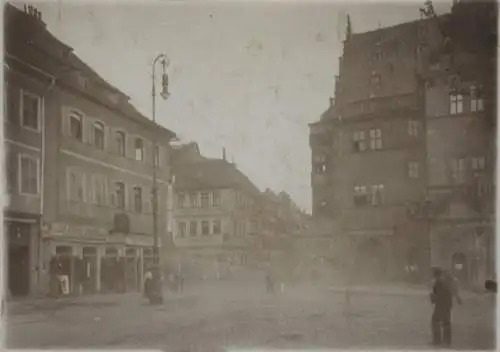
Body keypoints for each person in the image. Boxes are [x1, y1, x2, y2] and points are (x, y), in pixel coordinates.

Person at [430, 267, 453, 347]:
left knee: (436, 321)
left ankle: (438, 340)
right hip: (446, 304)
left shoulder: (438, 282)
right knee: (445, 321)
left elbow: (437, 294)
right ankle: (446, 341)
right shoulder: (443, 281)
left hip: (441, 304)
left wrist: (433, 298)